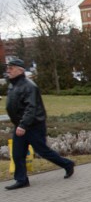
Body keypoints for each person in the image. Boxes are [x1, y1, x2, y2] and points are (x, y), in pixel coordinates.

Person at [5, 58, 75, 190]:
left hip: (33, 126)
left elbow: (31, 108)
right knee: (17, 153)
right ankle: (21, 180)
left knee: (43, 151)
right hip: (20, 125)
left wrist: (23, 125)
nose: (8, 70)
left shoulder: (29, 86)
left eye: (11, 68)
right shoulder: (12, 85)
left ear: (20, 70)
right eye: (8, 67)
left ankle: (67, 164)